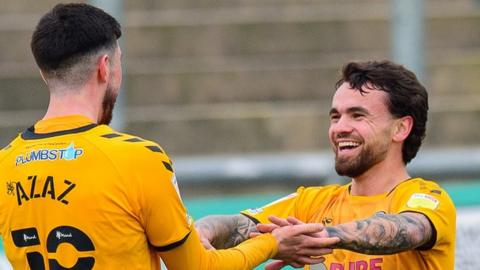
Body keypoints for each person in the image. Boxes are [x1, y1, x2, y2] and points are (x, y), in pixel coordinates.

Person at [0, 3, 340, 270]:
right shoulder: (137, 158)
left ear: (44, 75)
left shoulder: (6, 164)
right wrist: (272, 243)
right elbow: (198, 267)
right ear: (105, 67)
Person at [196, 60, 456, 270]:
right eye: (335, 116)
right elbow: (232, 226)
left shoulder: (424, 197)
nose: (340, 128)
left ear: (401, 128)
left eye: (357, 116)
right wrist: (202, 234)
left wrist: (318, 237)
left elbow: (408, 229)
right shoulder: (311, 203)